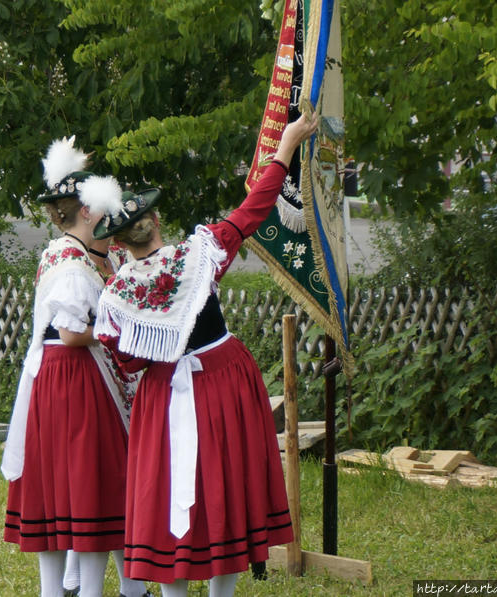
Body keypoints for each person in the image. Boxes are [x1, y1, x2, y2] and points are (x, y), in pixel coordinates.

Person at [93, 111, 320, 596]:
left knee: (171, 496)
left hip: (164, 395)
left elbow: (127, 362)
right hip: (223, 379)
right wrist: (284, 149)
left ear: (116, 243)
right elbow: (253, 210)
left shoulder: (116, 295)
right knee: (225, 488)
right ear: (154, 221)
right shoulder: (199, 254)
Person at [1, 137, 148, 597]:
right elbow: (71, 332)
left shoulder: (89, 253)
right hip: (72, 377)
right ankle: (80, 588)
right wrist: (124, 333)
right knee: (85, 482)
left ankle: (103, 587)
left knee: (91, 482)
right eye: (103, 206)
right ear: (86, 210)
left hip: (76, 376)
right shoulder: (67, 259)